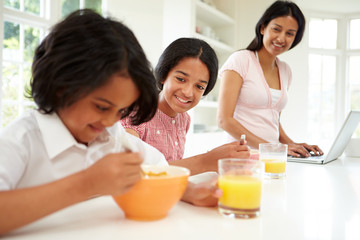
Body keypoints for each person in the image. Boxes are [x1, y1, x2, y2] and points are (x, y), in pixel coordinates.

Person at [0, 10, 220, 235]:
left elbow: (158, 168)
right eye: (102, 107)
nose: (110, 120)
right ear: (60, 87)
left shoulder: (110, 134)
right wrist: (86, 184)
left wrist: (190, 191)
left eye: (121, 110)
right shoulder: (22, 139)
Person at [121, 38, 250, 175]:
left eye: (199, 86)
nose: (188, 92)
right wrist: (205, 161)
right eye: (181, 79)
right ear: (163, 76)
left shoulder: (184, 119)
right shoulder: (136, 111)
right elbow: (131, 172)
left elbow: (172, 169)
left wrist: (214, 159)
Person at [217, 0, 323, 158]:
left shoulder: (285, 70)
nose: (281, 38)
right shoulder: (240, 60)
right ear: (262, 28)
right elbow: (224, 120)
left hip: (272, 157)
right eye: (276, 29)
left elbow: (273, 120)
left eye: (290, 33)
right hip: (240, 156)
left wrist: (292, 145)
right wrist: (271, 148)